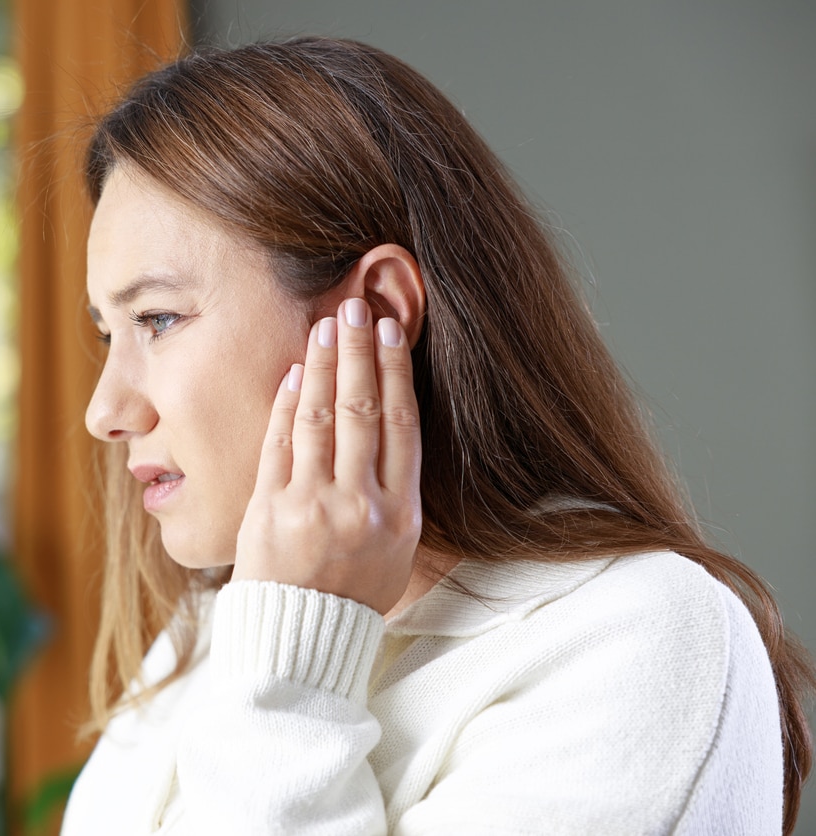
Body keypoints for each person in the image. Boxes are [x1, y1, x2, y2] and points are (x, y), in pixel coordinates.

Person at [60, 37, 813, 834]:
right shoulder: (205, 641)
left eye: (158, 319)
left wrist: (290, 668)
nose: (104, 411)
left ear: (377, 313)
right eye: (110, 333)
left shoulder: (638, 640)